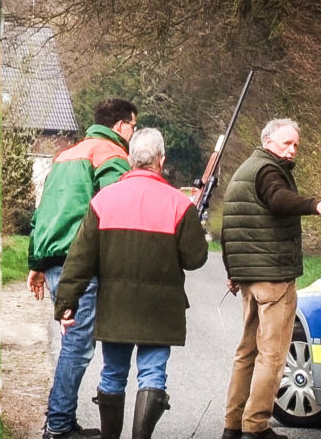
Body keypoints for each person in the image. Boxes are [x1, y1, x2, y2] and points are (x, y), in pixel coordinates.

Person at [54, 128, 209, 439]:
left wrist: (67, 303)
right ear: (161, 161)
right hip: (160, 310)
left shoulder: (103, 200)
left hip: (115, 306)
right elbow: (195, 259)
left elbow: (80, 258)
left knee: (112, 373)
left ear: (129, 159)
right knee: (153, 374)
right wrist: (196, 226)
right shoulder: (180, 204)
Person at [220, 118, 321, 439]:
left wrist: (233, 271)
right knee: (273, 354)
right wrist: (318, 204)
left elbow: (230, 226)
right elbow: (278, 200)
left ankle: (232, 425)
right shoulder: (268, 171)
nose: (292, 150)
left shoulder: (245, 170)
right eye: (286, 144)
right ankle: (257, 426)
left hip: (249, 278)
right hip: (273, 276)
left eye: (296, 145)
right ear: (268, 142)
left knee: (246, 353)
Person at [27, 98, 139, 439]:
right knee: (78, 345)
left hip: (55, 262)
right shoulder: (112, 155)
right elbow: (118, 210)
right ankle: (59, 426)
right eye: (133, 126)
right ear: (120, 125)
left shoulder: (66, 154)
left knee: (70, 343)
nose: (134, 133)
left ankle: (64, 421)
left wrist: (36, 264)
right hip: (81, 264)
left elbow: (45, 212)